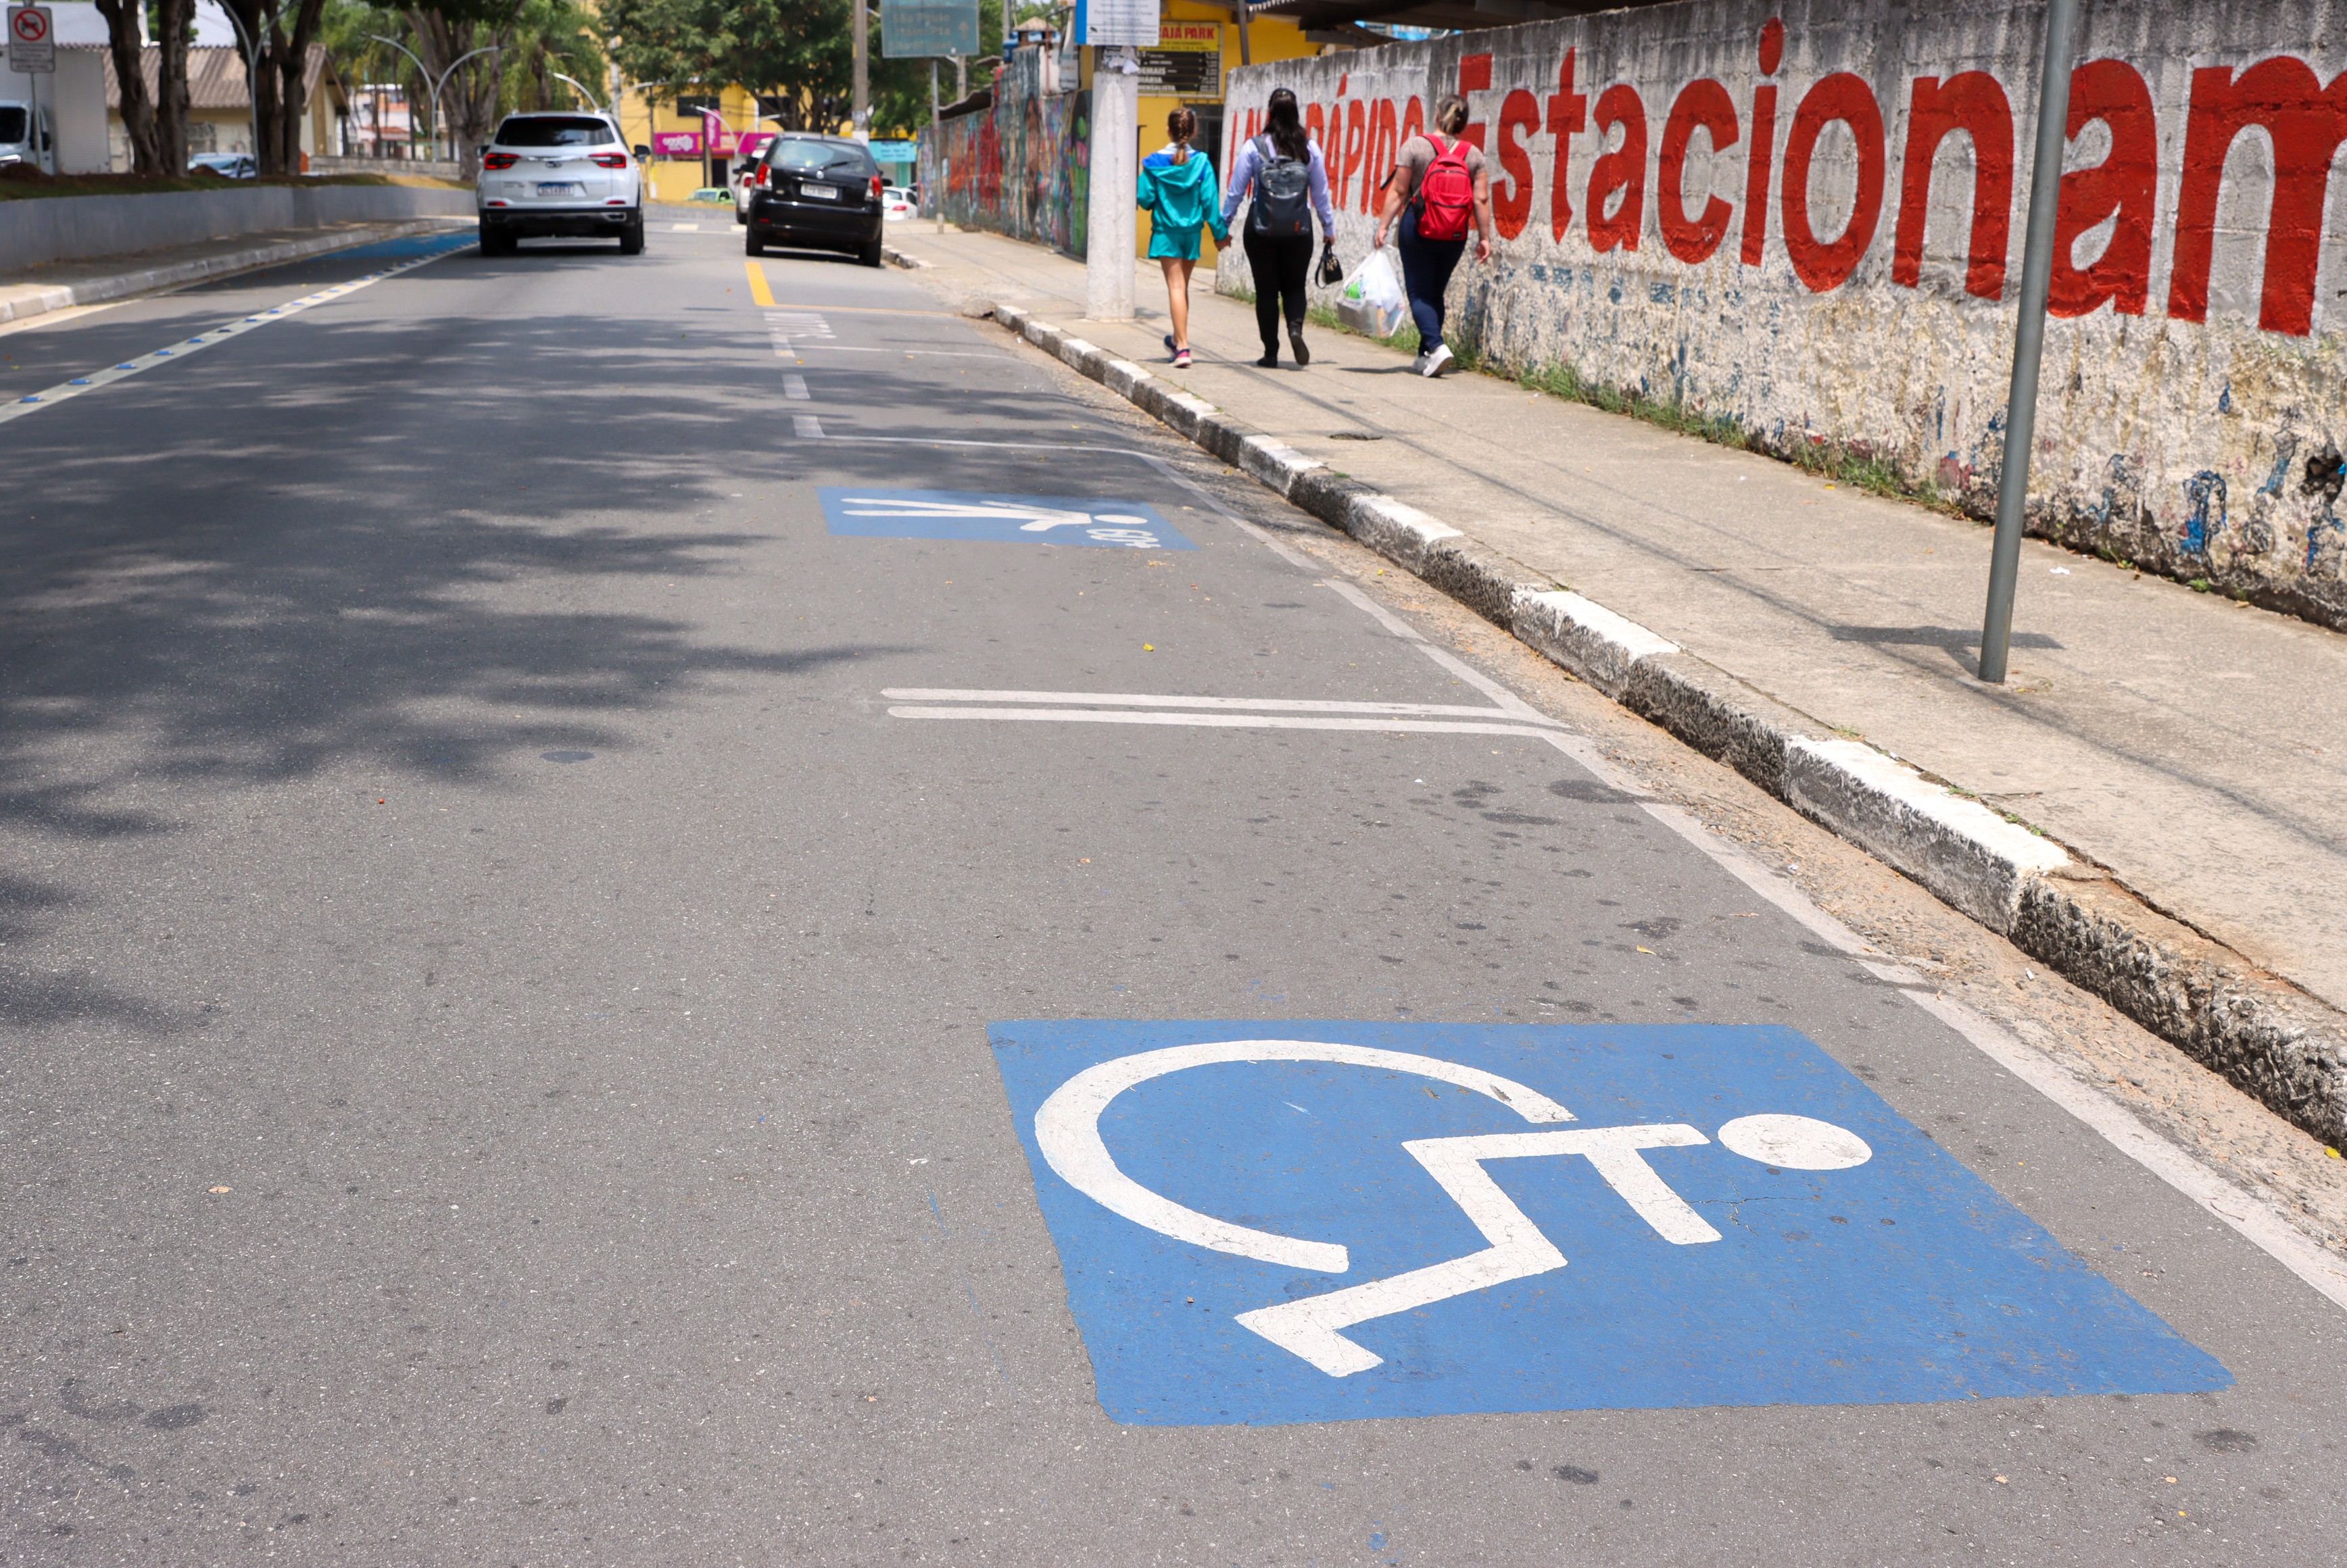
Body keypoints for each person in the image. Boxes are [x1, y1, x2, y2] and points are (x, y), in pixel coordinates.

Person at [1372, 94, 1496, 378]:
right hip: (1454, 234)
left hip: (1418, 227)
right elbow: (1482, 200)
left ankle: (1438, 347)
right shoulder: (1473, 154)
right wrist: (1485, 238)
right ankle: (1425, 354)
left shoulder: (1415, 146)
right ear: (1464, 122)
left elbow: (1399, 192)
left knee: (1418, 292)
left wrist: (1383, 226)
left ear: (1437, 117)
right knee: (1435, 292)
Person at [1221, 87, 1337, 369]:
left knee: (1266, 292)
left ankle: (1271, 352)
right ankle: (1295, 329)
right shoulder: (1309, 148)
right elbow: (1321, 195)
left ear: (1270, 113)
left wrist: (1222, 226)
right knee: (1295, 286)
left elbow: (1236, 191)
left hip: (1261, 230)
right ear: (1297, 113)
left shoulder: (1254, 147)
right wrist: (1328, 228)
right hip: (1300, 231)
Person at [1137, 107, 1228, 370]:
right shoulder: (1202, 162)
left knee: (1176, 288)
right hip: (1191, 234)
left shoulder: (1154, 163)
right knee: (1183, 287)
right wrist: (1220, 235)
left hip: (1167, 233)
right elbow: (1210, 203)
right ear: (1194, 131)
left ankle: (1184, 348)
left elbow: (1144, 199)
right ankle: (1177, 340)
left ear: (1169, 130)